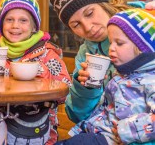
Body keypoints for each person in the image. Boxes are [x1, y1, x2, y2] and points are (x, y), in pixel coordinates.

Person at [44, 0, 147, 124]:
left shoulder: (143, 23)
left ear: (102, 4)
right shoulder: (85, 54)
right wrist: (85, 89)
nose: (88, 28)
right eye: (76, 24)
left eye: (89, 13)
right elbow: (76, 115)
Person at [0, 0, 72, 144]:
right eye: (9, 20)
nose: (15, 25)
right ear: (1, 25)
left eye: (23, 20)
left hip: (39, 135)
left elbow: (65, 91)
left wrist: (42, 73)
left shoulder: (48, 54)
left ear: (34, 26)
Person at [57, 8, 155, 144]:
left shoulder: (151, 80)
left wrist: (128, 130)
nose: (111, 48)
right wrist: (90, 88)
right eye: (111, 42)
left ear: (142, 48)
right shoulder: (122, 74)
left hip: (112, 139)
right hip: (97, 133)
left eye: (119, 43)